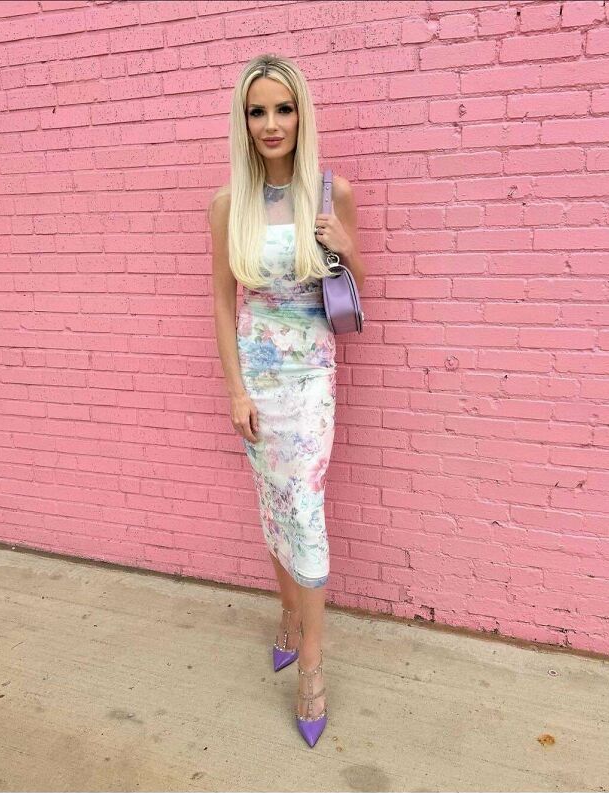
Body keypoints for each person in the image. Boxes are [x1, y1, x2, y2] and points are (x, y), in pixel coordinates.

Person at [208, 54, 365, 748]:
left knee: (303, 504)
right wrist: (235, 388)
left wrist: (346, 245)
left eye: (283, 108)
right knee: (272, 502)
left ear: (302, 115)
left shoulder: (331, 193)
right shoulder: (229, 205)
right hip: (258, 378)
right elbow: (223, 301)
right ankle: (290, 615)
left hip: (311, 377)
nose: (271, 123)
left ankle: (313, 668)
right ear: (244, 122)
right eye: (257, 111)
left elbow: (356, 288)